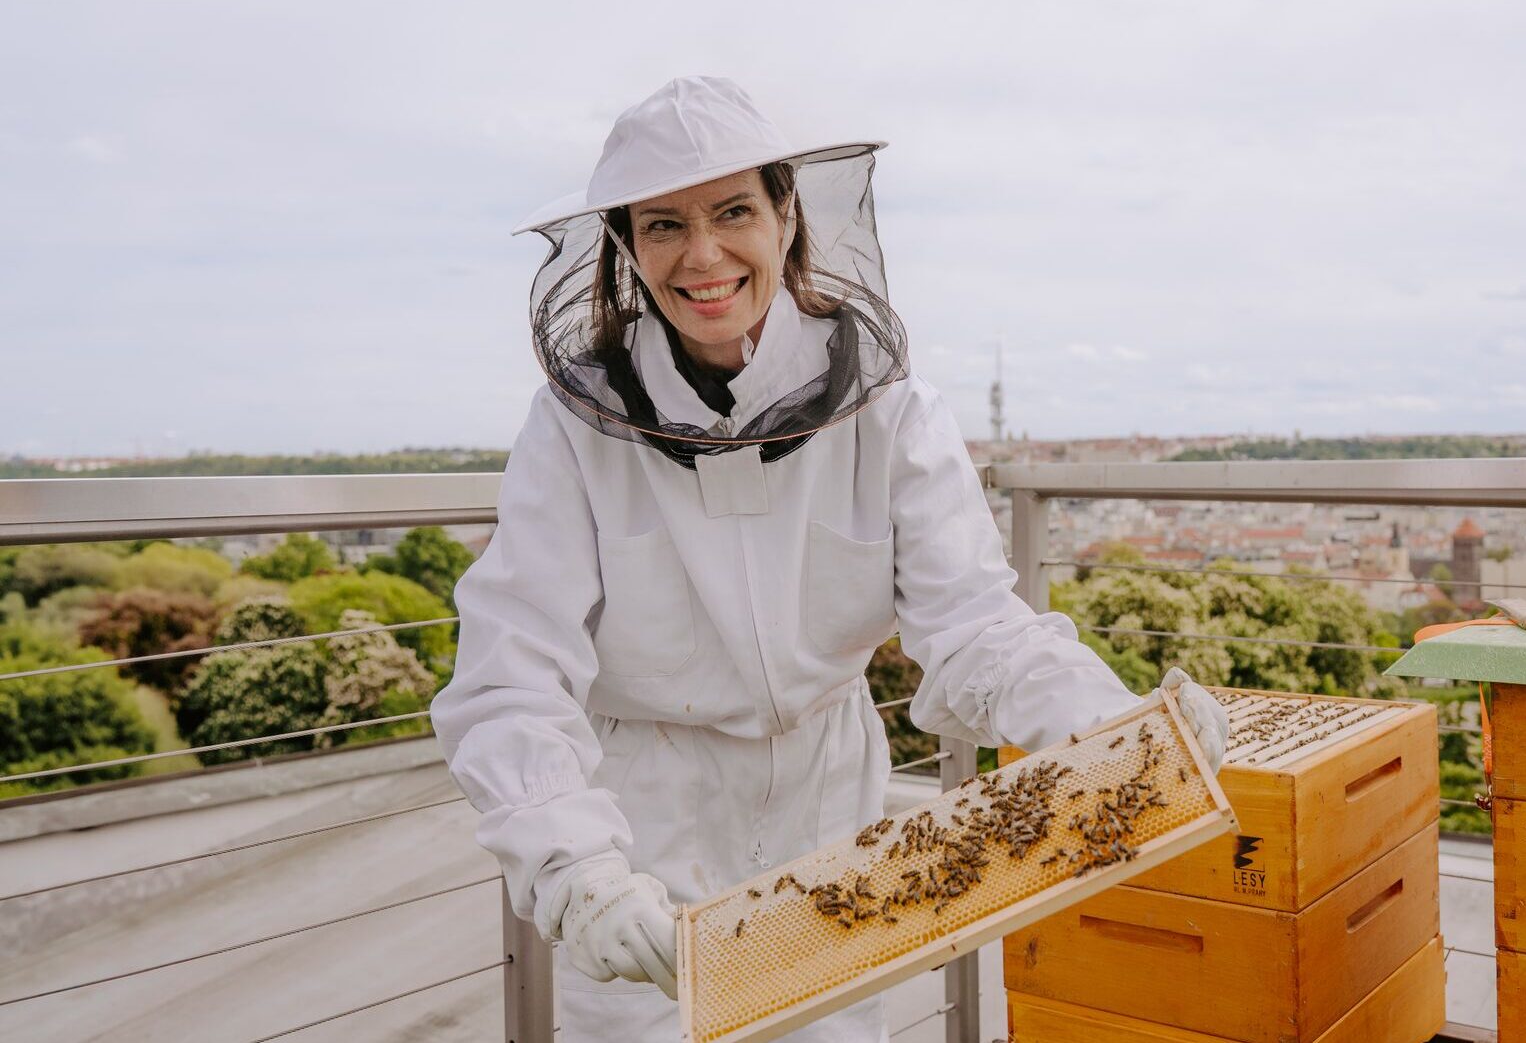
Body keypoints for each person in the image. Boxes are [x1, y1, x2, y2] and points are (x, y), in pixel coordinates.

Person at [429, 76, 1229, 1042]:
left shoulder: (890, 410)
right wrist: (576, 868)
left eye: (733, 211)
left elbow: (976, 627)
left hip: (833, 839)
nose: (704, 253)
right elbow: (512, 673)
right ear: (629, 248)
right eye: (664, 225)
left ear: (787, 213)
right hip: (641, 846)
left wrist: (1118, 731)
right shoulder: (572, 429)